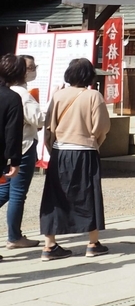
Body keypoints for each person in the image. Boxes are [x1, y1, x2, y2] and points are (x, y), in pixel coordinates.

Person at [39, 57, 109, 261]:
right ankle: (92, 242)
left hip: (60, 151)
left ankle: (49, 245)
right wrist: (94, 141)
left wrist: (52, 148)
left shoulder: (58, 96)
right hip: (85, 151)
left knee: (54, 197)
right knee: (89, 194)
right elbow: (102, 126)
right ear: (89, 76)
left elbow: (48, 127)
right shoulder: (94, 96)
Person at [0, 54, 44, 252]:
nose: (33, 70)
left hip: (8, 150)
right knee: (17, 194)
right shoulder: (21, 95)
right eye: (30, 67)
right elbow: (39, 120)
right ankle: (14, 236)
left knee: (6, 191)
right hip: (22, 148)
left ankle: (14, 235)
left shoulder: (7, 91)